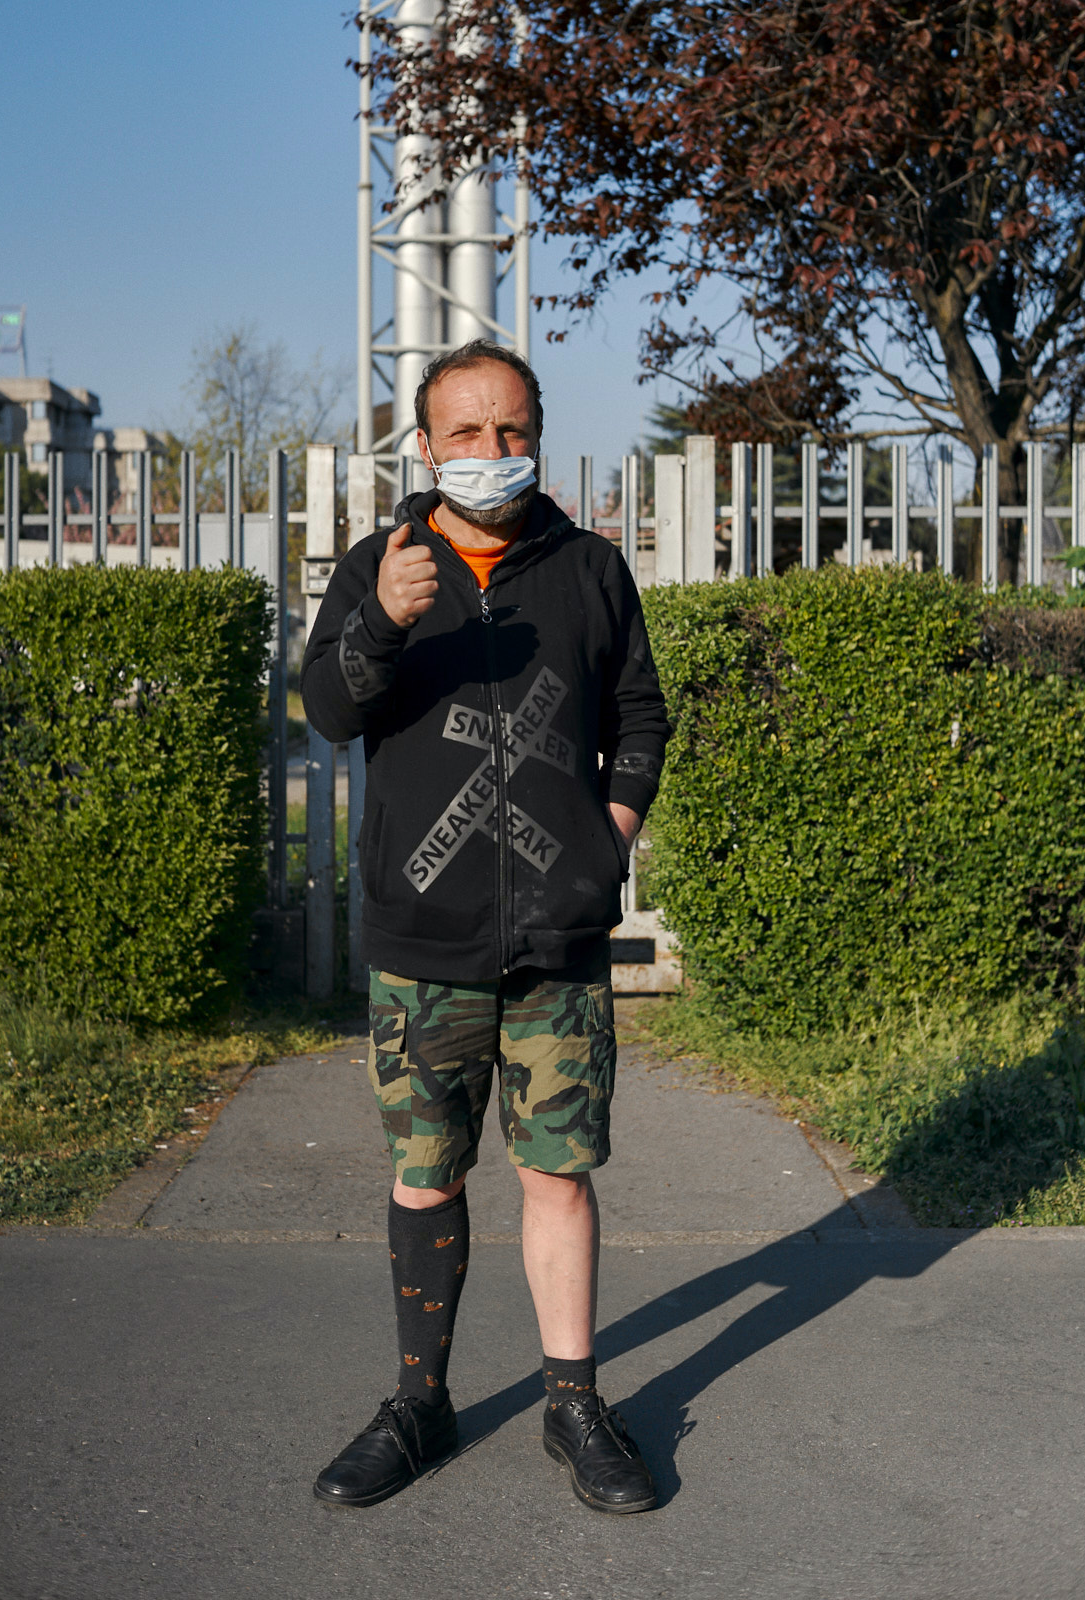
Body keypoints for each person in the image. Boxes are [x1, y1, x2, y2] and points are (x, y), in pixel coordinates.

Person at [301, 339, 669, 1513]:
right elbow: (322, 710)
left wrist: (607, 834)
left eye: (510, 430)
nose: (490, 452)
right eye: (465, 432)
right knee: (426, 1175)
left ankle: (572, 1401)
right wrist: (380, 626)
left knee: (558, 1174)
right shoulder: (381, 565)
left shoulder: (590, 568)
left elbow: (639, 714)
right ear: (423, 445)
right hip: (423, 942)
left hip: (556, 945)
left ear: (536, 438)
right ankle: (419, 1401)